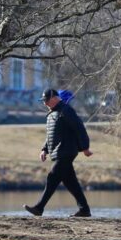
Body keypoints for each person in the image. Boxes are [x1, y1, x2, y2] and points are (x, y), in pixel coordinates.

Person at [24, 88, 93, 217]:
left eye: (46, 100)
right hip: (58, 151)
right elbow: (51, 135)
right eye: (43, 101)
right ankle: (84, 209)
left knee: (52, 177)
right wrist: (44, 149)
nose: (44, 103)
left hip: (66, 151)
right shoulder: (52, 114)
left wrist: (85, 148)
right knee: (70, 182)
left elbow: (80, 129)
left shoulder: (66, 111)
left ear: (55, 98)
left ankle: (39, 207)